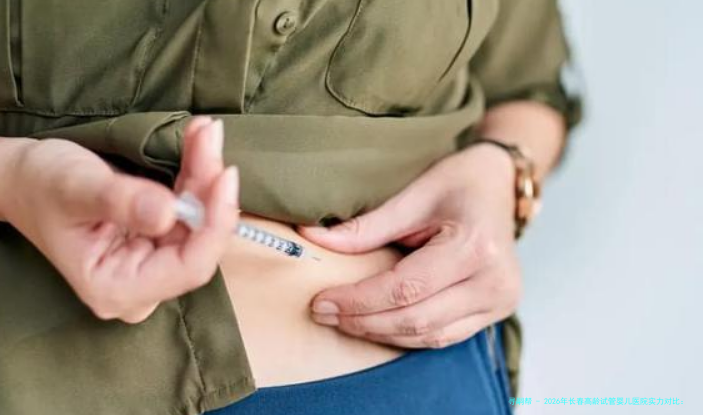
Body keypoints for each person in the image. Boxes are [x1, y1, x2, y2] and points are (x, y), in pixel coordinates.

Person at [0, 0, 581, 414]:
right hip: (45, 378)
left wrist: (506, 171)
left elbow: (526, 88)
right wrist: (16, 178)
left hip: (422, 382)